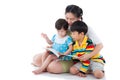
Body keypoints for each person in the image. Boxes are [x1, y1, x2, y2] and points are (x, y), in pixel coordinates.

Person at [32, 4, 104, 74]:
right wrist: (52, 46)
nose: (69, 21)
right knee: (35, 59)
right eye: (67, 18)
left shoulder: (85, 28)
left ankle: (87, 68)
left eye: (72, 19)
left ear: (79, 18)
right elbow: (60, 39)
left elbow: (100, 45)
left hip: (73, 57)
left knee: (51, 68)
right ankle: (46, 65)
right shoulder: (66, 25)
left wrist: (88, 56)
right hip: (60, 53)